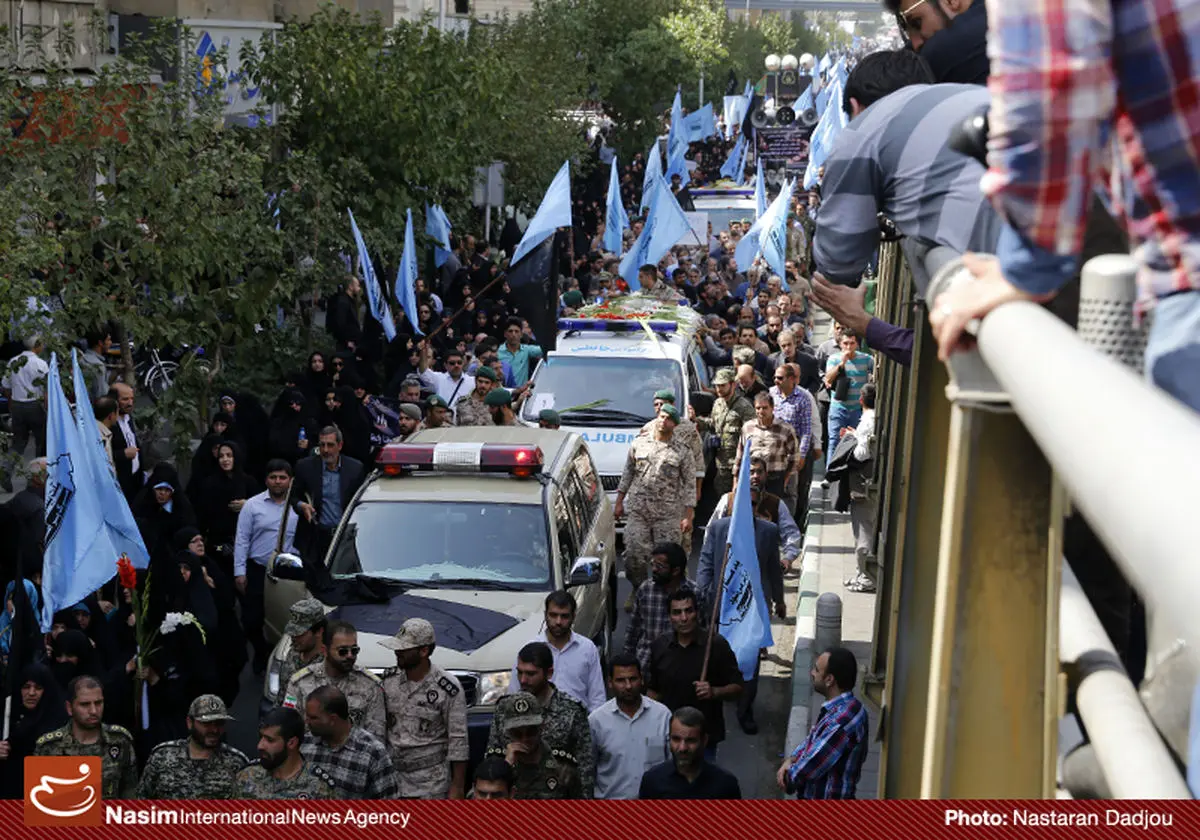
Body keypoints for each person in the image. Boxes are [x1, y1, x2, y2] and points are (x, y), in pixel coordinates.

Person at [614, 404, 696, 610]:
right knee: (633, 555)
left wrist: (688, 514)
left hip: (667, 515)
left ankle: (667, 596)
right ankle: (639, 590)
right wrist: (618, 502)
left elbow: (689, 485)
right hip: (639, 511)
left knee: (669, 561)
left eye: (668, 418)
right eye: (661, 416)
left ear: (674, 424)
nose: (662, 421)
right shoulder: (639, 443)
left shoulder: (682, 451)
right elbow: (628, 473)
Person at [487, 642, 594, 796]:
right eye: (520, 673)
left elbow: (585, 770)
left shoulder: (572, 711)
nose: (523, 680)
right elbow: (491, 761)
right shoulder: (504, 708)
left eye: (531, 674)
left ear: (549, 673)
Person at [646, 589, 742, 760]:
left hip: (704, 740)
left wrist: (714, 691)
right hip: (668, 737)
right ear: (669, 616)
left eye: (688, 611)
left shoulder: (716, 645)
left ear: (696, 613)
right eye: (677, 612)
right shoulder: (660, 647)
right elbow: (653, 691)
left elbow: (738, 688)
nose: (683, 618)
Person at [379, 618, 469, 799]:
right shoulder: (389, 681)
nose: (397, 652)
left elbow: (458, 741)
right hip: (393, 780)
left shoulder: (447, 687)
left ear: (423, 651)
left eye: (404, 649)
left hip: (430, 783)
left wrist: (457, 787)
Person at [777, 647, 869, 799]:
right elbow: (811, 742)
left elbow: (801, 773)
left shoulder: (841, 722)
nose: (812, 673)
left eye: (816, 670)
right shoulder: (849, 707)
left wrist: (787, 771)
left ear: (829, 680)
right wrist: (792, 759)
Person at [233, 459, 296, 674]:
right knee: (252, 619)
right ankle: (262, 653)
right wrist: (239, 573)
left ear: (290, 480)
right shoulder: (252, 505)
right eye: (273, 478)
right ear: (266, 480)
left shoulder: (298, 505)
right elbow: (242, 539)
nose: (277, 482)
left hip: (289, 572)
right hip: (259, 569)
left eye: (282, 478)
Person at [33, 676, 138, 799]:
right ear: (69, 708)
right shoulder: (49, 747)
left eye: (98, 703)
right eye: (85, 704)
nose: (93, 710)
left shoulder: (119, 740)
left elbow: (130, 792)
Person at [284, 621, 387, 742]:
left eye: (354, 651)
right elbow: (288, 727)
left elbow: (377, 736)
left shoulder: (370, 685)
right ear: (324, 650)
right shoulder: (300, 683)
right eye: (342, 651)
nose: (349, 656)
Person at [588, 653, 671, 800]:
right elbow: (589, 768)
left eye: (633, 679)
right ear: (610, 683)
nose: (628, 686)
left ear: (642, 679)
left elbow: (672, 764)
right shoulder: (596, 720)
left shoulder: (662, 716)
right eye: (620, 680)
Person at [137, 694, 249, 799]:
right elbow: (141, 800)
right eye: (206, 724)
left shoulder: (236, 762)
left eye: (219, 723)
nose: (214, 730)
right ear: (190, 723)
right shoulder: (163, 756)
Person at [510, 591, 605, 713]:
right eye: (553, 615)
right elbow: (514, 694)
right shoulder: (529, 648)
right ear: (545, 615)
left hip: (578, 725)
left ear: (573, 617)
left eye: (564, 616)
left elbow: (597, 697)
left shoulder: (587, 649)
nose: (558, 622)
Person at [301, 685, 400, 799]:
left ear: (333, 719)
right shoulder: (305, 744)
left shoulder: (371, 753)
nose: (306, 721)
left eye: (313, 718)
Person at [290, 426, 366, 565]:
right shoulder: (305, 467)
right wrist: (302, 506)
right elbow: (293, 496)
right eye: (322, 445)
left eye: (330, 445)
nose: (325, 450)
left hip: (345, 537)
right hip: (315, 537)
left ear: (340, 445)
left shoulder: (355, 469)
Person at [624, 542, 701, 674]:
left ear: (676, 570)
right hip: (647, 665)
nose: (654, 570)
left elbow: (703, 630)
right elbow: (633, 629)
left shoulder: (695, 592)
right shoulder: (645, 590)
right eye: (652, 564)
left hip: (682, 666)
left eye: (660, 566)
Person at [489, 692, 583, 799]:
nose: (524, 739)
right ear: (508, 733)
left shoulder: (563, 767)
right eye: (517, 734)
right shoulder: (498, 763)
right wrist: (505, 768)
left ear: (541, 727)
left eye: (531, 732)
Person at [637, 707, 742, 799]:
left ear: (704, 741)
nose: (682, 748)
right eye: (676, 739)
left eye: (690, 740)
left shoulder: (725, 784)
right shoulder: (653, 781)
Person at [236, 708, 336, 800]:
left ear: (291, 743)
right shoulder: (247, 775)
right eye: (261, 737)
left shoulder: (319, 788)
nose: (260, 746)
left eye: (269, 740)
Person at [271, 598, 326, 708]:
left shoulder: (328, 664)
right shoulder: (294, 651)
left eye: (300, 634)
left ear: (319, 631)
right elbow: (282, 694)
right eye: (293, 632)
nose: (293, 637)